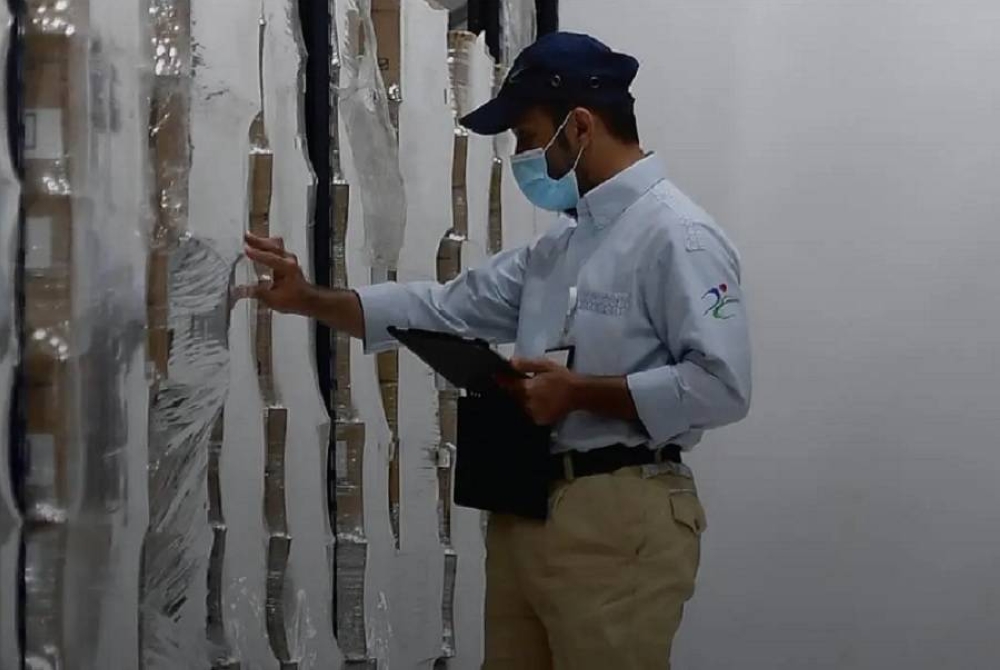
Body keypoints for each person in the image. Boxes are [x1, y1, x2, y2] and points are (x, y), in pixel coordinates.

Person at [246, 31, 751, 670]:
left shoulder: (678, 236)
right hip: (527, 507)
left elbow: (721, 386)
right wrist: (308, 299)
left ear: (581, 125)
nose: (521, 156)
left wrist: (579, 394)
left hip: (620, 514)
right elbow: (440, 308)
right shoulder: (559, 249)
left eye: (527, 137)